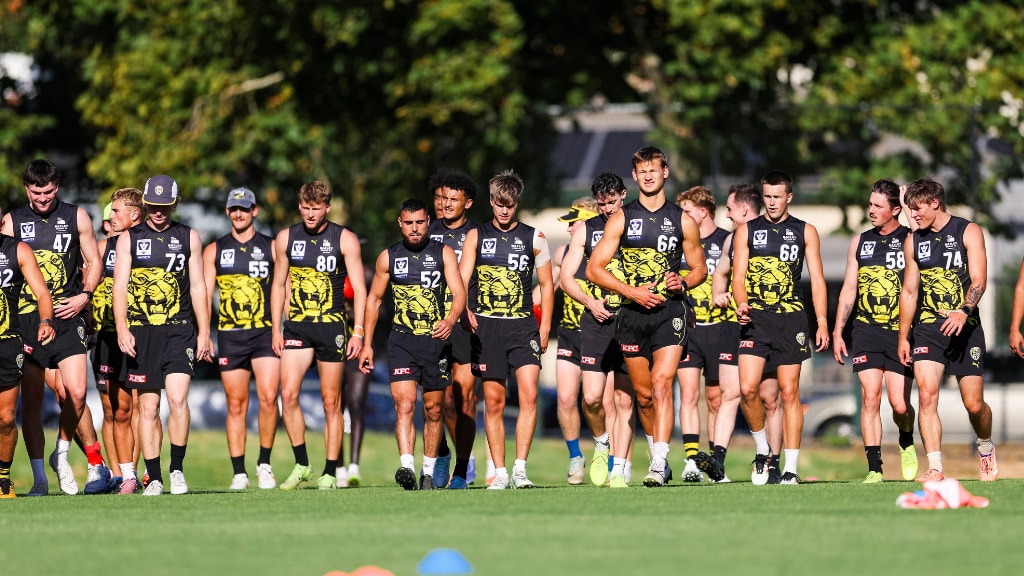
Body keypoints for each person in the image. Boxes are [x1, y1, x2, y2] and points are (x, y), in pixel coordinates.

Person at [587, 146, 707, 487]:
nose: (649, 175)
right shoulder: (621, 217)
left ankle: (658, 461)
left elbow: (700, 268)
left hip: (670, 311)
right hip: (632, 314)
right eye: (642, 171)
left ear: (665, 172)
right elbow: (594, 269)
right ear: (635, 176)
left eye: (654, 169)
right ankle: (658, 454)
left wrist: (682, 281)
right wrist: (630, 291)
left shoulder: (682, 219)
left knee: (661, 384)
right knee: (642, 395)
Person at [2, 159, 108, 496]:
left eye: (48, 192)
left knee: (74, 393)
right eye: (36, 193)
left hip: (68, 315)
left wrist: (85, 298)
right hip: (26, 320)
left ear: (57, 187)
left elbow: (95, 262)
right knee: (33, 403)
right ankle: (41, 480)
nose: (43, 198)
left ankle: (63, 455)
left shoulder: (77, 216)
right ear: (26, 189)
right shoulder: (12, 221)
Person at [113, 175, 213, 495]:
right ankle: (153, 477)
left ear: (174, 204)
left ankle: (176, 470)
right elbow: (120, 287)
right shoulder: (129, 238)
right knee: (148, 408)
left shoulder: (188, 237)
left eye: (165, 206)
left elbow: (198, 286)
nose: (158, 212)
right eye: (153, 206)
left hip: (180, 330)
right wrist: (122, 328)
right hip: (142, 332)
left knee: (178, 399)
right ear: (145, 204)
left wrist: (204, 332)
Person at [359, 199, 466, 490]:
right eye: (409, 223)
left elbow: (458, 292)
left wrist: (451, 318)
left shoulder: (443, 253)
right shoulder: (388, 257)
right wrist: (367, 343)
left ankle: (428, 472)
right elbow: (374, 299)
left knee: (433, 410)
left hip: (434, 342)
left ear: (428, 221)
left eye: (420, 222)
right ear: (400, 223)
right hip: (402, 341)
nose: (415, 228)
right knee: (404, 404)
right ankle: (406, 466)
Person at [732, 170, 829, 485]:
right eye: (767, 196)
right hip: (755, 320)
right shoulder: (747, 231)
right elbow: (738, 277)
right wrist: (741, 303)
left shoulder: (806, 231)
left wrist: (823, 322)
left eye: (777, 196)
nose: (771, 202)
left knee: (789, 393)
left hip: (791, 320)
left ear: (789, 197)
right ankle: (763, 452)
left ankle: (790, 468)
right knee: (748, 389)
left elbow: (816, 279)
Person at [459, 170, 554, 489]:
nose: (504, 210)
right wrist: (464, 310)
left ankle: (520, 469)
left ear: (517, 204)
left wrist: (545, 327)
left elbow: (548, 285)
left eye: (509, 205)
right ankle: (498, 472)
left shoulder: (534, 237)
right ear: (490, 202)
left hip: (523, 325)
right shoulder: (477, 236)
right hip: (487, 329)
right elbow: (461, 278)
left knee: (528, 394)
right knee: (494, 401)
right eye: (499, 204)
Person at [898, 178, 996, 482]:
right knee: (926, 396)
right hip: (928, 327)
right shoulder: (914, 240)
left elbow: (979, 279)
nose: (912, 215)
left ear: (935, 203)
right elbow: (910, 292)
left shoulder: (968, 231)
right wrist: (903, 336)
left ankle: (985, 446)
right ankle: (935, 467)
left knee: (974, 405)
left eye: (917, 209)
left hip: (966, 327)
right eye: (910, 209)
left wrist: (964, 311)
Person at [270, 181, 366, 490]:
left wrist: (359, 332)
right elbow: (278, 285)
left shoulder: (345, 239)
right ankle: (301, 464)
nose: (311, 214)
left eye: (317, 208)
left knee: (330, 402)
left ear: (327, 208)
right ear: (300, 206)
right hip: (297, 326)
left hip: (332, 327)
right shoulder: (286, 237)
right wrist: (275, 326)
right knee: (288, 395)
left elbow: (361, 291)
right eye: (306, 208)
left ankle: (329, 471)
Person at [832, 179, 918, 482]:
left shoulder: (910, 238)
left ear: (895, 209)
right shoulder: (860, 241)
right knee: (870, 398)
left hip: (900, 333)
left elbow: (919, 229)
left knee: (899, 403)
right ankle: (874, 467)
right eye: (870, 204)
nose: (871, 210)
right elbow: (848, 289)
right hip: (866, 330)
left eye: (878, 206)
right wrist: (838, 330)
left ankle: (906, 439)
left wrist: (907, 201)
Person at [559, 173, 636, 487]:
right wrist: (590, 302)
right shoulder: (586, 231)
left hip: (632, 321)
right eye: (602, 204)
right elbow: (566, 278)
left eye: (612, 202)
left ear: (623, 195)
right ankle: (601, 442)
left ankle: (618, 470)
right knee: (591, 398)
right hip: (596, 321)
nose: (607, 209)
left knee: (624, 400)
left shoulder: (637, 226)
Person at [203, 187, 280, 490]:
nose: (239, 214)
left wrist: (280, 328)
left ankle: (264, 464)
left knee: (269, 398)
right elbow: (204, 293)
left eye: (244, 209)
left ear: (255, 211)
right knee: (236, 404)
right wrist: (203, 334)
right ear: (227, 212)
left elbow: (282, 288)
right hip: (230, 335)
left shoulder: (272, 247)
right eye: (234, 209)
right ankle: (239, 472)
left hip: (264, 333)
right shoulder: (215, 250)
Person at [711, 184, 783, 482]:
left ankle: (772, 462)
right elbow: (721, 273)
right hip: (735, 326)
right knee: (732, 393)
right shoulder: (731, 240)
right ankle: (718, 461)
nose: (726, 215)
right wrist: (719, 294)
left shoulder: (778, 234)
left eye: (729, 209)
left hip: (773, 324)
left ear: (743, 209)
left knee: (770, 397)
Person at [93, 189, 151, 493]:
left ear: (134, 215)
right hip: (107, 337)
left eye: (115, 212)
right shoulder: (102, 248)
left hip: (142, 336)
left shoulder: (149, 245)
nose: (109, 217)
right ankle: (119, 475)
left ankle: (141, 471)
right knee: (115, 409)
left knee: (144, 407)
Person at [673, 186, 729, 483]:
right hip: (689, 330)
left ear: (703, 211)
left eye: (687, 211)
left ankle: (715, 462)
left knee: (717, 399)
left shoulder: (725, 241)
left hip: (721, 329)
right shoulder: (681, 243)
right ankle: (692, 460)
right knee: (689, 395)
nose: (682, 217)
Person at [427, 171, 479, 489]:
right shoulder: (426, 231)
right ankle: (443, 452)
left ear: (468, 203)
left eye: (453, 199)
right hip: (431, 323)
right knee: (441, 400)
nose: (446, 204)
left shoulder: (478, 234)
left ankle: (461, 470)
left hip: (466, 325)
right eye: (442, 198)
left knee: (464, 397)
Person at [0, 207, 57, 498]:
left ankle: (3, 477)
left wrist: (46, 320)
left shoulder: (17, 250)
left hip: (8, 341)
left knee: (7, 417)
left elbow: (42, 292)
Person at [552, 197, 600, 485]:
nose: (569, 229)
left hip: (599, 333)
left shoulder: (607, 252)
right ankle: (574, 456)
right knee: (567, 397)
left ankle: (605, 453)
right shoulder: (563, 254)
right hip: (569, 332)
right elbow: (551, 287)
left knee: (596, 402)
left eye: (574, 222)